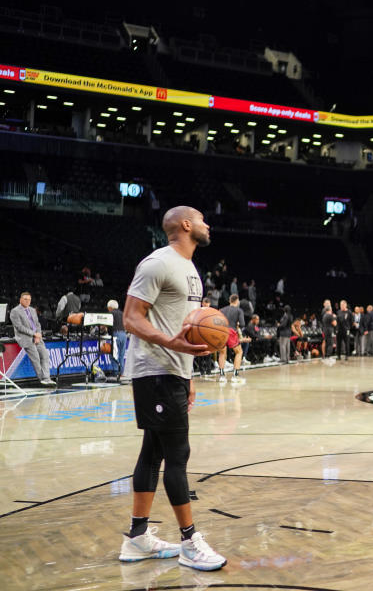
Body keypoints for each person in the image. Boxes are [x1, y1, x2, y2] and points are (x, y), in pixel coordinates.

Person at [118, 206, 226, 570]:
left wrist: (189, 375)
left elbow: (184, 329)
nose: (206, 224)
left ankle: (137, 538)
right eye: (201, 219)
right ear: (185, 225)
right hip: (155, 371)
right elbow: (131, 318)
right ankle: (190, 541)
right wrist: (172, 348)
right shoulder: (157, 263)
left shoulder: (189, 268)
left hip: (173, 373)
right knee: (178, 454)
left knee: (153, 453)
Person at [10, 292, 54, 386]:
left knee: (45, 355)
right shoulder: (15, 311)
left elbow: (37, 324)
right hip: (25, 337)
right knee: (36, 358)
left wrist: (38, 334)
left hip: (37, 337)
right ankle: (42, 379)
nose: (27, 301)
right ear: (20, 300)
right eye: (25, 299)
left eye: (29, 299)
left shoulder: (32, 310)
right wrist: (34, 334)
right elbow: (19, 327)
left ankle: (47, 378)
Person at [217, 294, 245, 384]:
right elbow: (242, 324)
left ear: (230, 301)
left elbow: (216, 321)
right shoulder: (239, 310)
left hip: (221, 331)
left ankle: (222, 376)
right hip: (231, 331)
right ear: (237, 301)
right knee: (239, 352)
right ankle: (235, 375)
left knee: (222, 352)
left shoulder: (221, 310)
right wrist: (237, 324)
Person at [107, 299, 127, 377]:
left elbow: (108, 325)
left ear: (110, 307)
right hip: (124, 334)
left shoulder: (111, 313)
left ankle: (115, 372)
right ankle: (121, 373)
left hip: (116, 335)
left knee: (113, 354)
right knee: (121, 355)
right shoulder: (122, 313)